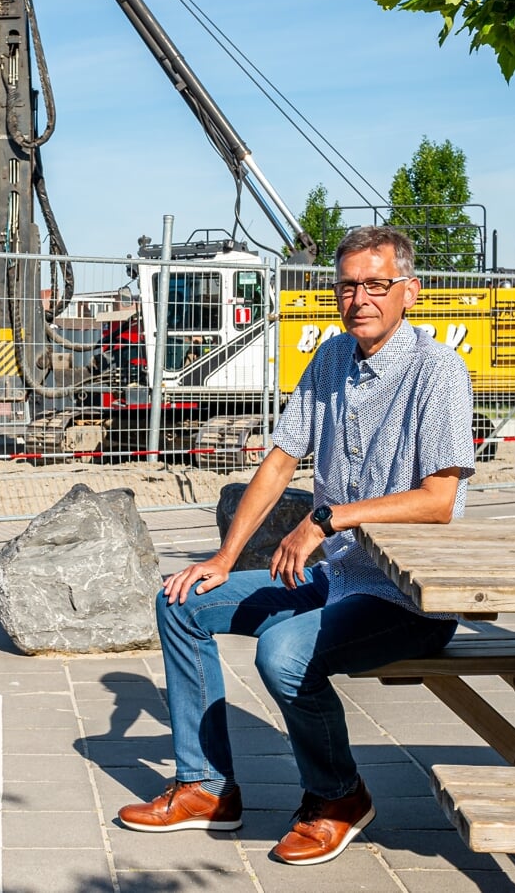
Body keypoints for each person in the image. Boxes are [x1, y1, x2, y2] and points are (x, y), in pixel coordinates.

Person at [116, 225, 475, 866]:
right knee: (181, 601)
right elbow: (281, 460)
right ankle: (206, 788)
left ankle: (337, 796)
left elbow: (439, 501)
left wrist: (327, 520)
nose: (360, 297)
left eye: (376, 284)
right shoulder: (332, 360)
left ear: (409, 292)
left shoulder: (437, 369)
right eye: (347, 285)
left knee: (282, 655)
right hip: (337, 579)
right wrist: (224, 559)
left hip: (407, 596)